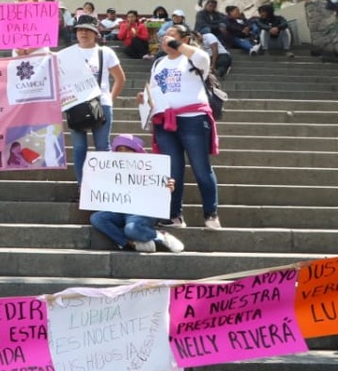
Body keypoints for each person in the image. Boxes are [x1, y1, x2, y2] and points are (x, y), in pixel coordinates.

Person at [141, 25, 222, 230]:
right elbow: (154, 90)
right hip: (165, 122)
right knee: (173, 170)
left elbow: (203, 58)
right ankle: (174, 214)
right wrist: (145, 101)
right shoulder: (159, 62)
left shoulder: (194, 59)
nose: (165, 38)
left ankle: (211, 213)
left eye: (172, 34)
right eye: (164, 35)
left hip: (193, 119)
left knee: (201, 167)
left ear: (184, 39)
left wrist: (177, 44)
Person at [89, 134, 185, 253]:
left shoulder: (150, 167)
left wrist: (167, 187)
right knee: (97, 218)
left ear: (136, 152)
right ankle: (130, 243)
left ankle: (160, 236)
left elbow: (160, 186)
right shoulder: (111, 170)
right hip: (120, 209)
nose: (123, 153)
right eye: (120, 150)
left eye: (127, 149)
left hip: (143, 211)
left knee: (131, 229)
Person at [67, 15, 124, 185]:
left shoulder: (105, 52)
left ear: (96, 33)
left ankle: (104, 188)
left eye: (88, 29)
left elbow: (120, 78)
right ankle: (82, 187)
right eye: (80, 29)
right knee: (79, 149)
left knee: (102, 147)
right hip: (75, 105)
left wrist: (109, 100)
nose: (83, 33)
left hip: (101, 104)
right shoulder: (68, 54)